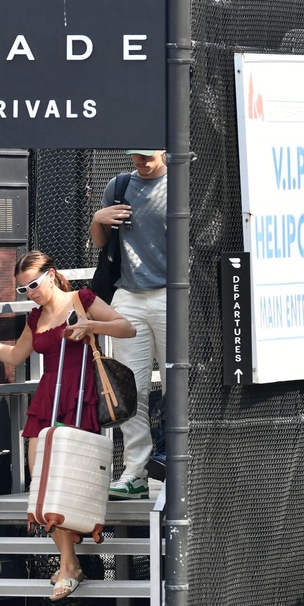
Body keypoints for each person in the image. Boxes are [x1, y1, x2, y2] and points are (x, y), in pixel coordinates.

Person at [0, 250, 135, 600]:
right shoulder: (35, 318)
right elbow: (14, 355)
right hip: (48, 398)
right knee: (42, 483)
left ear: (51, 275)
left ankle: (69, 565)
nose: (30, 293)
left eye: (33, 285)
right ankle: (69, 563)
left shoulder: (82, 299)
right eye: (23, 289)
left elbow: (127, 328)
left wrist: (91, 326)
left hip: (79, 396)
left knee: (66, 482)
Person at [89, 150, 168, 500]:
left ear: (163, 150)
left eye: (147, 156)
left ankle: (180, 467)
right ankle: (135, 471)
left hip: (172, 293)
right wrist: (98, 219)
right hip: (128, 295)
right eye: (136, 155)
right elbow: (100, 242)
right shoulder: (119, 185)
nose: (141, 161)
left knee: (177, 382)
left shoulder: (181, 184)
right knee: (129, 387)